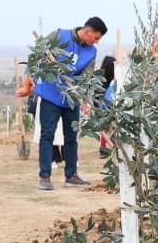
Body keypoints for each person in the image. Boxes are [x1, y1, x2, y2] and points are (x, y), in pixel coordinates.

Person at [24, 19, 106, 190]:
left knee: (71, 138)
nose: (97, 41)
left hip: (72, 98)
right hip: (50, 94)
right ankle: (45, 177)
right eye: (96, 37)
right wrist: (39, 69)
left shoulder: (91, 52)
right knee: (47, 135)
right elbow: (38, 55)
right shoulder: (59, 35)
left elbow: (88, 78)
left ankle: (71, 175)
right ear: (88, 32)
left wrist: (87, 99)